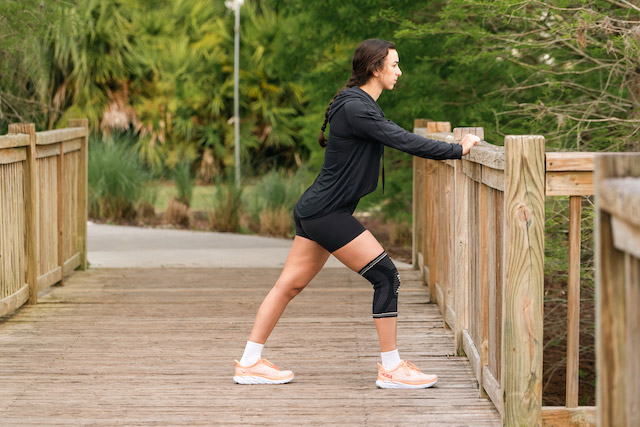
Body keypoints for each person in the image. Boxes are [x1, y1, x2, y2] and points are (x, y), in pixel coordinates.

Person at [233, 38, 480, 388]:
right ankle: (391, 369)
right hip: (326, 212)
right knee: (386, 276)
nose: (399, 71)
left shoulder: (358, 105)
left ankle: (248, 362)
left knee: (289, 285)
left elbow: (394, 136)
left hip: (317, 209)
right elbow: (403, 140)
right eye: (394, 65)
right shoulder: (357, 108)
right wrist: (457, 149)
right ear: (376, 68)